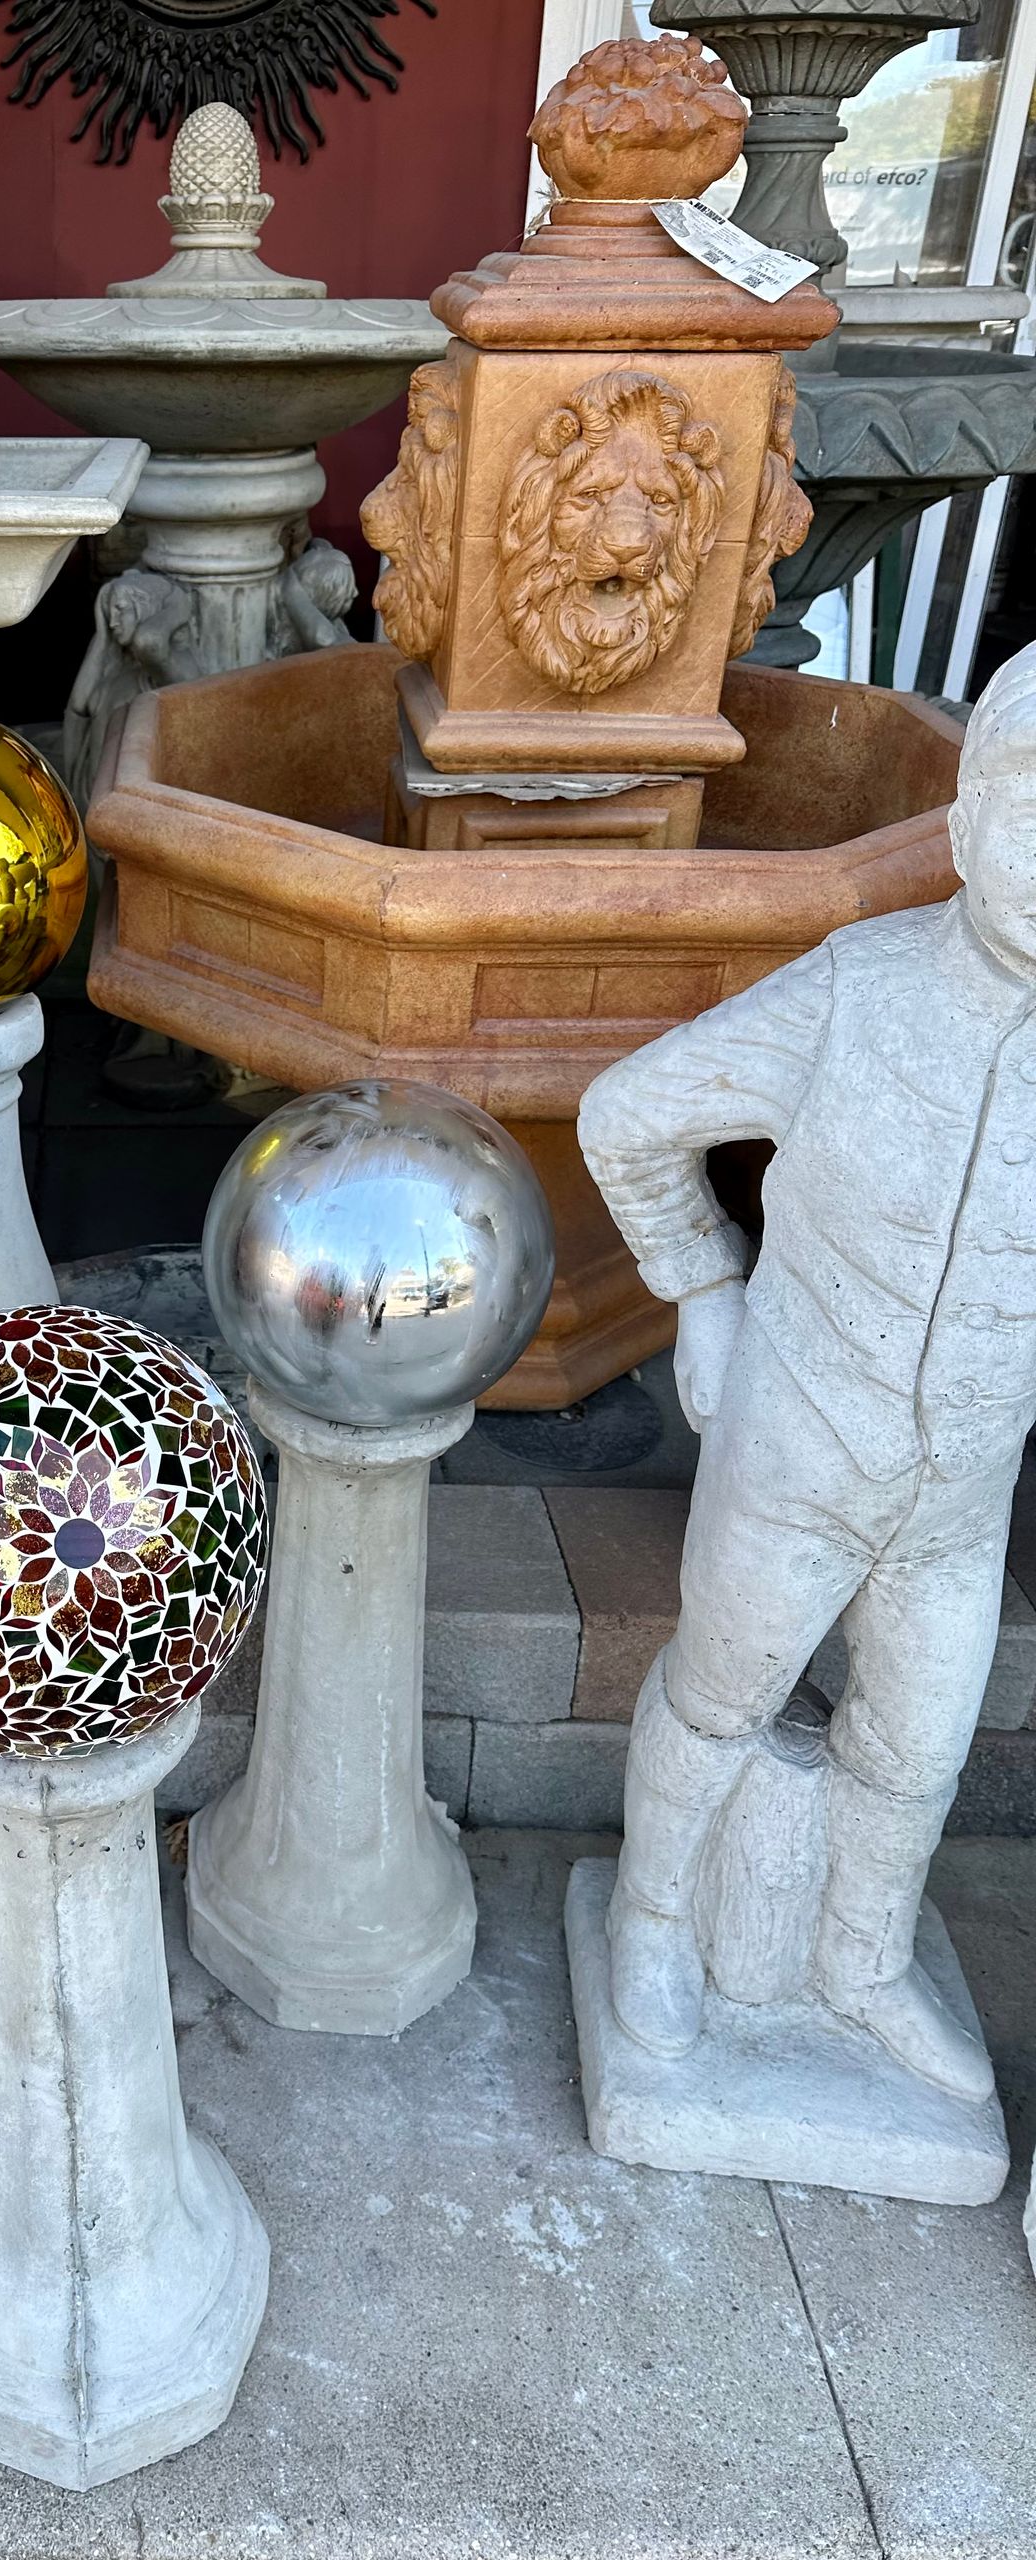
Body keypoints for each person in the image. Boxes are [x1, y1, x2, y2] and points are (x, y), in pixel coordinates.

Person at [577, 642, 1036, 2101]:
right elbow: (634, 1113)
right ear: (965, 825)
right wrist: (703, 1293)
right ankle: (653, 1925)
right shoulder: (861, 988)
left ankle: (861, 1963)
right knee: (724, 1693)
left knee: (917, 1745)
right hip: (799, 1437)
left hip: (959, 1497)